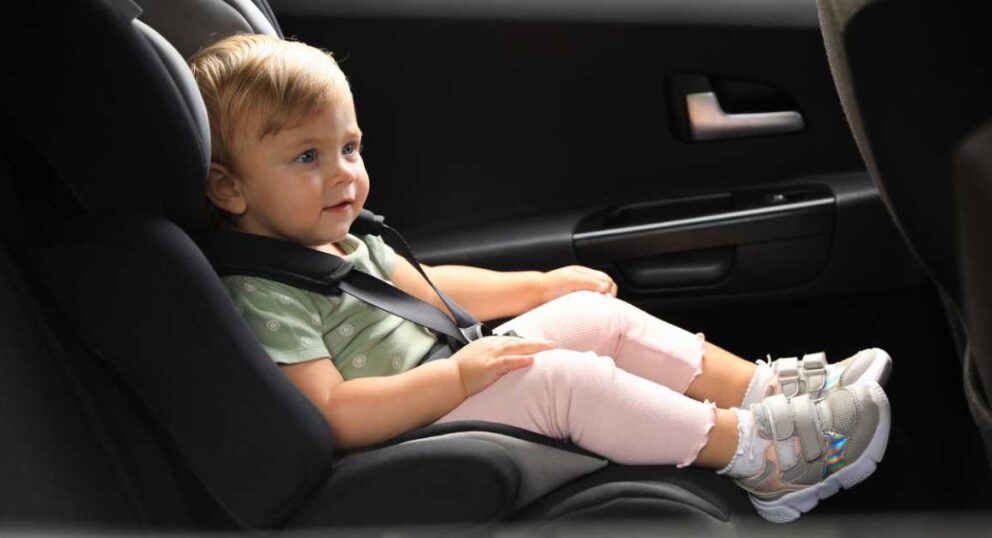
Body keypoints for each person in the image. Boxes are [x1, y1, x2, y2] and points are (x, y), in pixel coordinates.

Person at [188, 33, 893, 523]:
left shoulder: (342, 235)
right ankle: (760, 453)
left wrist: (542, 284)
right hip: (411, 426)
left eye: (349, 147)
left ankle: (764, 390)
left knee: (594, 319)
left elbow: (432, 286)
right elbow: (337, 414)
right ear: (229, 191)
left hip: (447, 378)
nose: (344, 172)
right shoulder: (262, 293)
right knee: (560, 379)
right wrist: (459, 379)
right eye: (307, 158)